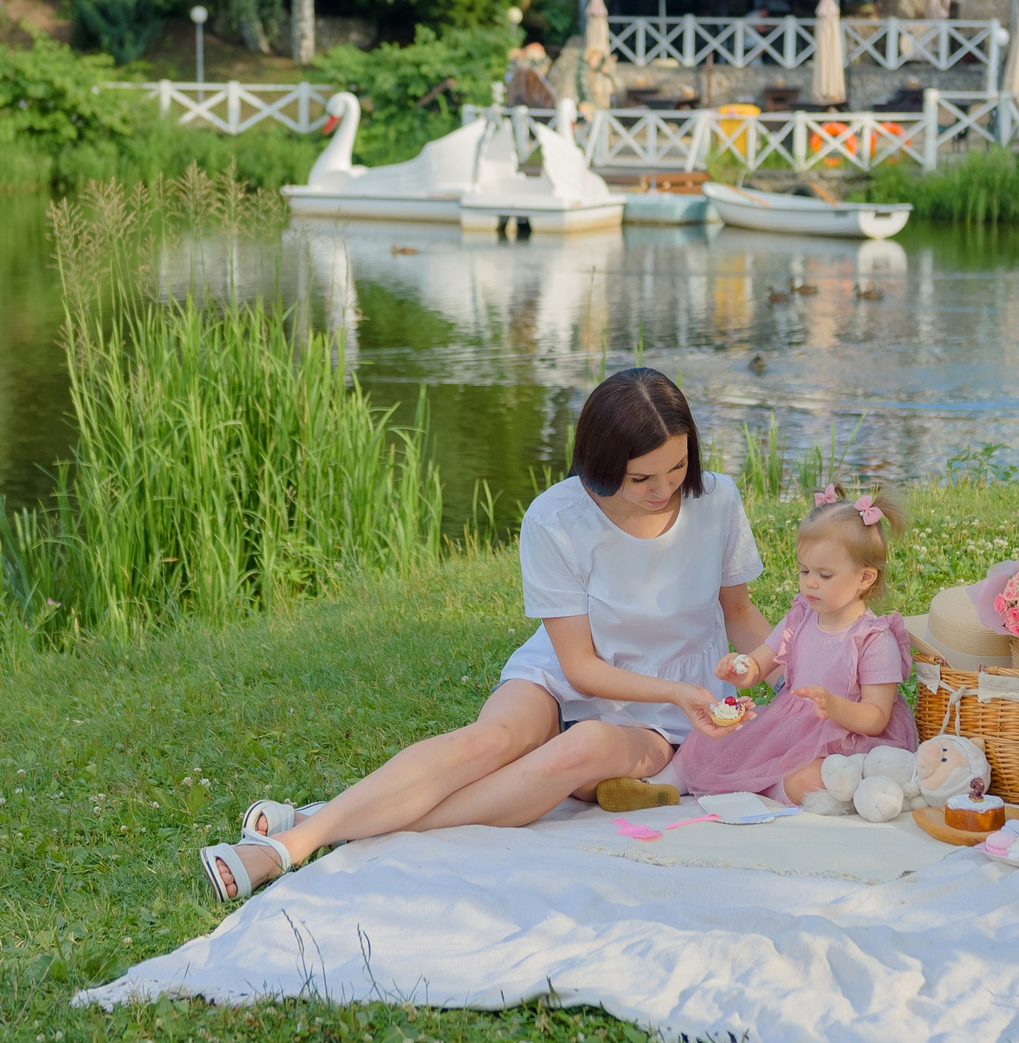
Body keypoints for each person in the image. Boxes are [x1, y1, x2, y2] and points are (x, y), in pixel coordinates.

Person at [200, 367, 773, 902]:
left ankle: (318, 824)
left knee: (583, 747)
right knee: (489, 742)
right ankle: (291, 846)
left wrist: (790, 668)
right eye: (641, 477)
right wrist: (680, 693)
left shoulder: (716, 499)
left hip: (668, 710)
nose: (665, 487)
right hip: (573, 669)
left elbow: (739, 613)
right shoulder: (556, 518)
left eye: (677, 467)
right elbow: (577, 667)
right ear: (601, 462)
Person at [677, 486, 915, 806]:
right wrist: (740, 668)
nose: (810, 583)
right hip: (791, 731)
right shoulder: (800, 617)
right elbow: (761, 663)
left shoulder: (873, 639)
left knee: (814, 778)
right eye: (804, 571)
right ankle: (678, 783)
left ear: (865, 578)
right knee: (716, 745)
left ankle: (778, 789)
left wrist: (834, 707)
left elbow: (876, 717)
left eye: (824, 574)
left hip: (849, 740)